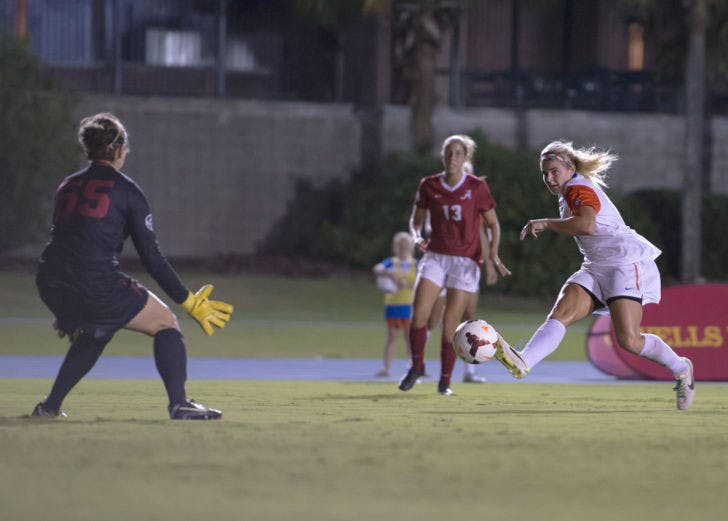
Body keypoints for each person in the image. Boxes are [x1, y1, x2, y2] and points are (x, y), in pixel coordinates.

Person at [31, 112, 234, 420]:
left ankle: (49, 407)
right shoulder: (127, 191)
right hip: (94, 283)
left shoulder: (67, 185)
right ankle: (179, 404)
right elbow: (151, 259)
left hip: (49, 280)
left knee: (97, 330)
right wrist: (189, 301)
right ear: (119, 147)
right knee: (166, 323)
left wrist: (65, 309)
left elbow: (68, 243)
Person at [495, 140, 695, 410]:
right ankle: (524, 362)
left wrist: (546, 222)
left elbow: (587, 226)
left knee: (629, 340)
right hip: (595, 265)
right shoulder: (567, 191)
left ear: (570, 168)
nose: (550, 178)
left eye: (554, 171)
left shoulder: (578, 188)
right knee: (560, 314)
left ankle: (681, 368)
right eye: (545, 173)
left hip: (624, 262)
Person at [398, 134, 511, 395]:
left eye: (459, 153)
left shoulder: (477, 187)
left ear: (466, 157)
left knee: (451, 326)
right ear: (442, 156)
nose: (453, 158)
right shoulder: (428, 185)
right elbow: (416, 221)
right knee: (419, 316)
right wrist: (416, 237)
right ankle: (416, 367)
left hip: (465, 262)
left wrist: (493, 255)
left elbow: (493, 224)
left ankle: (445, 382)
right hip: (436, 256)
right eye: (449, 153)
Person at [372, 232, 417, 377]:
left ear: (410, 247)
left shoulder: (415, 264)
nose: (402, 249)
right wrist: (389, 274)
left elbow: (420, 282)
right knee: (392, 336)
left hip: (409, 306)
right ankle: (386, 368)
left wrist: (407, 284)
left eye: (405, 246)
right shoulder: (391, 262)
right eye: (400, 246)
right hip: (393, 305)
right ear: (395, 247)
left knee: (409, 338)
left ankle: (413, 367)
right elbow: (377, 269)